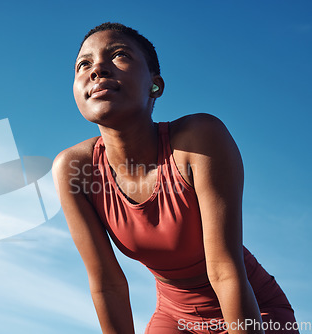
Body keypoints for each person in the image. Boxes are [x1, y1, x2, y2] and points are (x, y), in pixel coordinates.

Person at [53, 22, 298, 334]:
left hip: (252, 309)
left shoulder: (199, 140)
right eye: (83, 64)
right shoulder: (74, 169)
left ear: (155, 85)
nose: (97, 68)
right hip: (174, 318)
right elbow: (106, 284)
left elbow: (225, 270)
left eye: (119, 55)